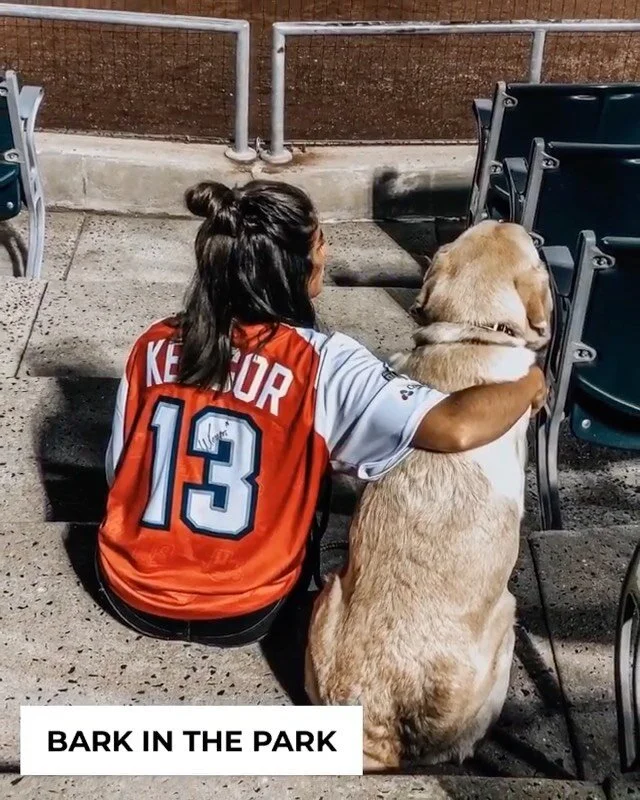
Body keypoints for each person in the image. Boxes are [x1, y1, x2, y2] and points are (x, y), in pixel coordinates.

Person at [96, 179, 546, 648]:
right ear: (296, 266)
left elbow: (119, 473)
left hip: (126, 590)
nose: (326, 254)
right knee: (316, 460)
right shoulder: (325, 361)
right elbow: (456, 427)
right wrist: (529, 382)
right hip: (244, 610)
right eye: (320, 242)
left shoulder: (154, 340)